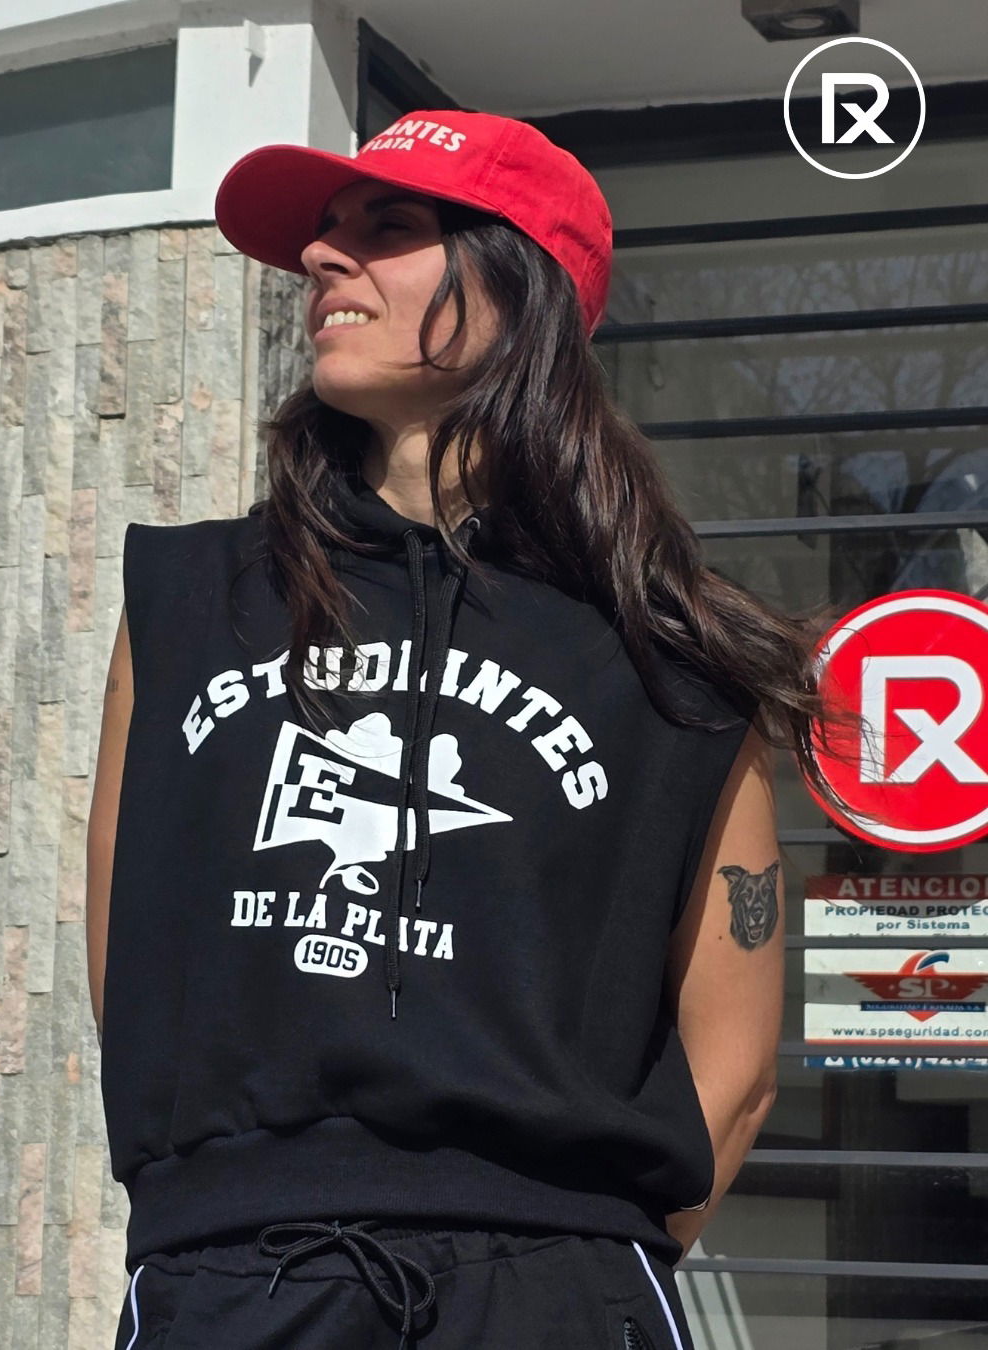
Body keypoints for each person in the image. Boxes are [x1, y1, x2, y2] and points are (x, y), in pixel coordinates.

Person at [86, 108, 842, 1349]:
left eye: (389, 226)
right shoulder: (187, 602)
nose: (322, 256)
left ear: (521, 288)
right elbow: (134, 967)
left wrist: (571, 1260)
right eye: (325, 232)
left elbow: (738, 1068)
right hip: (231, 1283)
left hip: (553, 1290)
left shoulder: (668, 657)